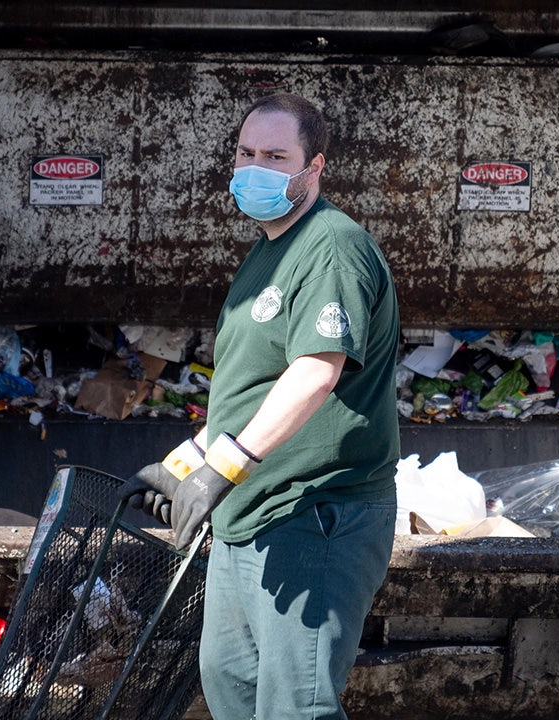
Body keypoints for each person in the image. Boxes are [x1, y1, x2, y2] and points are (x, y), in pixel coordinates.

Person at [122, 92, 401, 720]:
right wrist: (188, 462)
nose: (257, 168)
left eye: (277, 157)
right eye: (247, 153)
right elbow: (254, 384)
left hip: (313, 514)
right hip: (245, 515)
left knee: (295, 705)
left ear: (315, 166)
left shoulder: (331, 247)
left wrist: (227, 466)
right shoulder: (268, 249)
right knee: (231, 686)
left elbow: (314, 371)